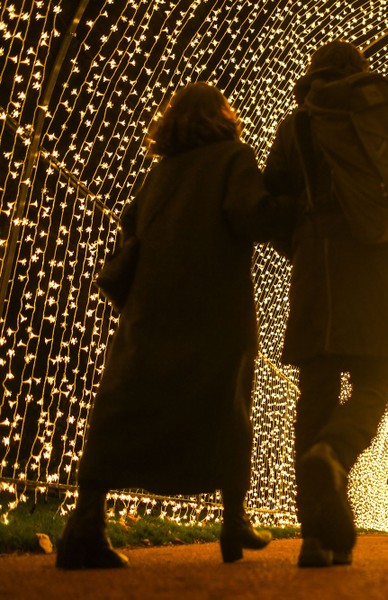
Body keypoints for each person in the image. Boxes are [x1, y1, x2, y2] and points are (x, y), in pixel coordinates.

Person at [56, 83, 293, 569]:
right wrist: (299, 207)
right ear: (221, 118)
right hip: (214, 309)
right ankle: (233, 520)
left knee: (125, 406)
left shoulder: (159, 175)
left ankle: (85, 522)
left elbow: (131, 228)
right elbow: (252, 215)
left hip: (152, 309)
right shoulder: (233, 158)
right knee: (225, 407)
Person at [264, 40, 388, 567]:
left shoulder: (296, 126)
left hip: (316, 260)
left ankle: (315, 535)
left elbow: (270, 198)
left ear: (313, 73)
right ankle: (334, 451)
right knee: (377, 379)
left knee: (313, 391)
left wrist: (299, 238)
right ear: (358, 71)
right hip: (375, 256)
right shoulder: (377, 105)